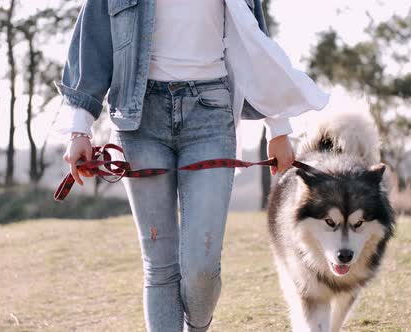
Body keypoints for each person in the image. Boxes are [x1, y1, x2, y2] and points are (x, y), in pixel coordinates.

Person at [56, 1, 329, 331]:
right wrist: (79, 128)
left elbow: (255, 41)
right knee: (160, 266)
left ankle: (197, 326)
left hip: (210, 114)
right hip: (139, 120)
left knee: (201, 268)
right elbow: (93, 42)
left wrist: (278, 127)